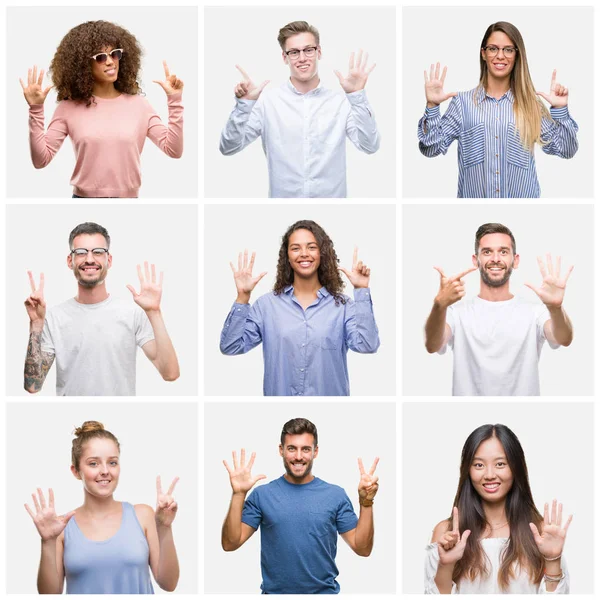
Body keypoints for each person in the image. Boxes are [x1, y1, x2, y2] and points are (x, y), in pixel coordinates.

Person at [21, 20, 184, 198]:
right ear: (83, 65)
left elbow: (173, 150)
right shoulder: (68, 108)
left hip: (128, 200)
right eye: (100, 57)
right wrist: (36, 109)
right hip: (83, 199)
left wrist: (174, 99)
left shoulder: (139, 105)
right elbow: (40, 160)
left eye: (114, 54)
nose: (110, 62)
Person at [219, 20, 380, 198]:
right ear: (284, 57)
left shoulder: (340, 102)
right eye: (294, 52)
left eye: (308, 50)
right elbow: (228, 148)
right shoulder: (267, 102)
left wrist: (357, 96)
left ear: (319, 52)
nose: (302, 58)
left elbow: (370, 146)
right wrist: (244, 107)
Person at [418, 21, 578, 198]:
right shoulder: (462, 104)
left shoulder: (531, 104)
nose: (500, 56)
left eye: (508, 49)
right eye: (493, 48)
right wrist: (432, 106)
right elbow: (430, 149)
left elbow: (566, 150)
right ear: (484, 53)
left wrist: (560, 109)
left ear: (517, 55)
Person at [220, 220, 380, 395]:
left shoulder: (342, 306)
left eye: (311, 247)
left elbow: (367, 345)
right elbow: (231, 346)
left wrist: (361, 290)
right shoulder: (266, 306)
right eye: (296, 248)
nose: (304, 254)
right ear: (287, 256)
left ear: (322, 253)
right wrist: (243, 296)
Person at [221, 417, 379, 594]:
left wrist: (366, 503)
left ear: (315, 452)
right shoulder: (262, 495)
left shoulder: (335, 495)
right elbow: (230, 544)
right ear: (281, 450)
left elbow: (363, 548)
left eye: (305, 449)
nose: (298, 456)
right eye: (291, 448)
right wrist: (238, 494)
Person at [24, 222, 180, 395]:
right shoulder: (54, 317)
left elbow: (170, 373)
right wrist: (37, 325)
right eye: (81, 252)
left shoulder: (132, 313)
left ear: (109, 260)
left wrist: (154, 312)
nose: (89, 259)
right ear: (70, 260)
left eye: (98, 252)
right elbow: (33, 386)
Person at [24, 420, 180, 594]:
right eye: (93, 463)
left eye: (112, 462)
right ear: (75, 471)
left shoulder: (143, 515)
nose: (105, 471)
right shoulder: (61, 528)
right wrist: (47, 541)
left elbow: (169, 583)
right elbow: (49, 595)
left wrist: (164, 527)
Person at [424, 222, 573, 395]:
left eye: (503, 252)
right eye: (487, 252)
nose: (495, 259)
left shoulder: (535, 313)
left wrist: (555, 308)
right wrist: (439, 306)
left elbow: (563, 338)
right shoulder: (456, 313)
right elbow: (432, 345)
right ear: (476, 260)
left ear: (515, 260)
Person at [426, 424, 571, 593]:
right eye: (479, 465)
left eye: (500, 464)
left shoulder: (540, 532)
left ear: (516, 468)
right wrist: (446, 566)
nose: (489, 475)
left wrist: (553, 559)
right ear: (467, 470)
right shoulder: (446, 533)